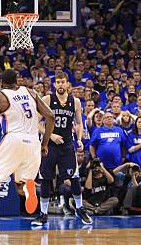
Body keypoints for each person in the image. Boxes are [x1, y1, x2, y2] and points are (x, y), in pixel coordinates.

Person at [0, 69, 55, 239]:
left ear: (1, 81)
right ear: (18, 80)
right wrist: (44, 143)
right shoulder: (31, 92)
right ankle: (29, 192)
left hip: (13, 139)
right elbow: (50, 117)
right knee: (21, 185)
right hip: (33, 141)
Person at [35, 72, 90, 226]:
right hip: (49, 145)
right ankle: (43, 213)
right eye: (57, 82)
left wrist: (79, 139)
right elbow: (36, 122)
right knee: (46, 178)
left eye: (62, 82)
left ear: (67, 84)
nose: (60, 85)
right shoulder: (47, 99)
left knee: (74, 177)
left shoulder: (76, 101)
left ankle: (80, 209)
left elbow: (79, 124)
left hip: (67, 145)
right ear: (54, 85)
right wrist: (50, 135)